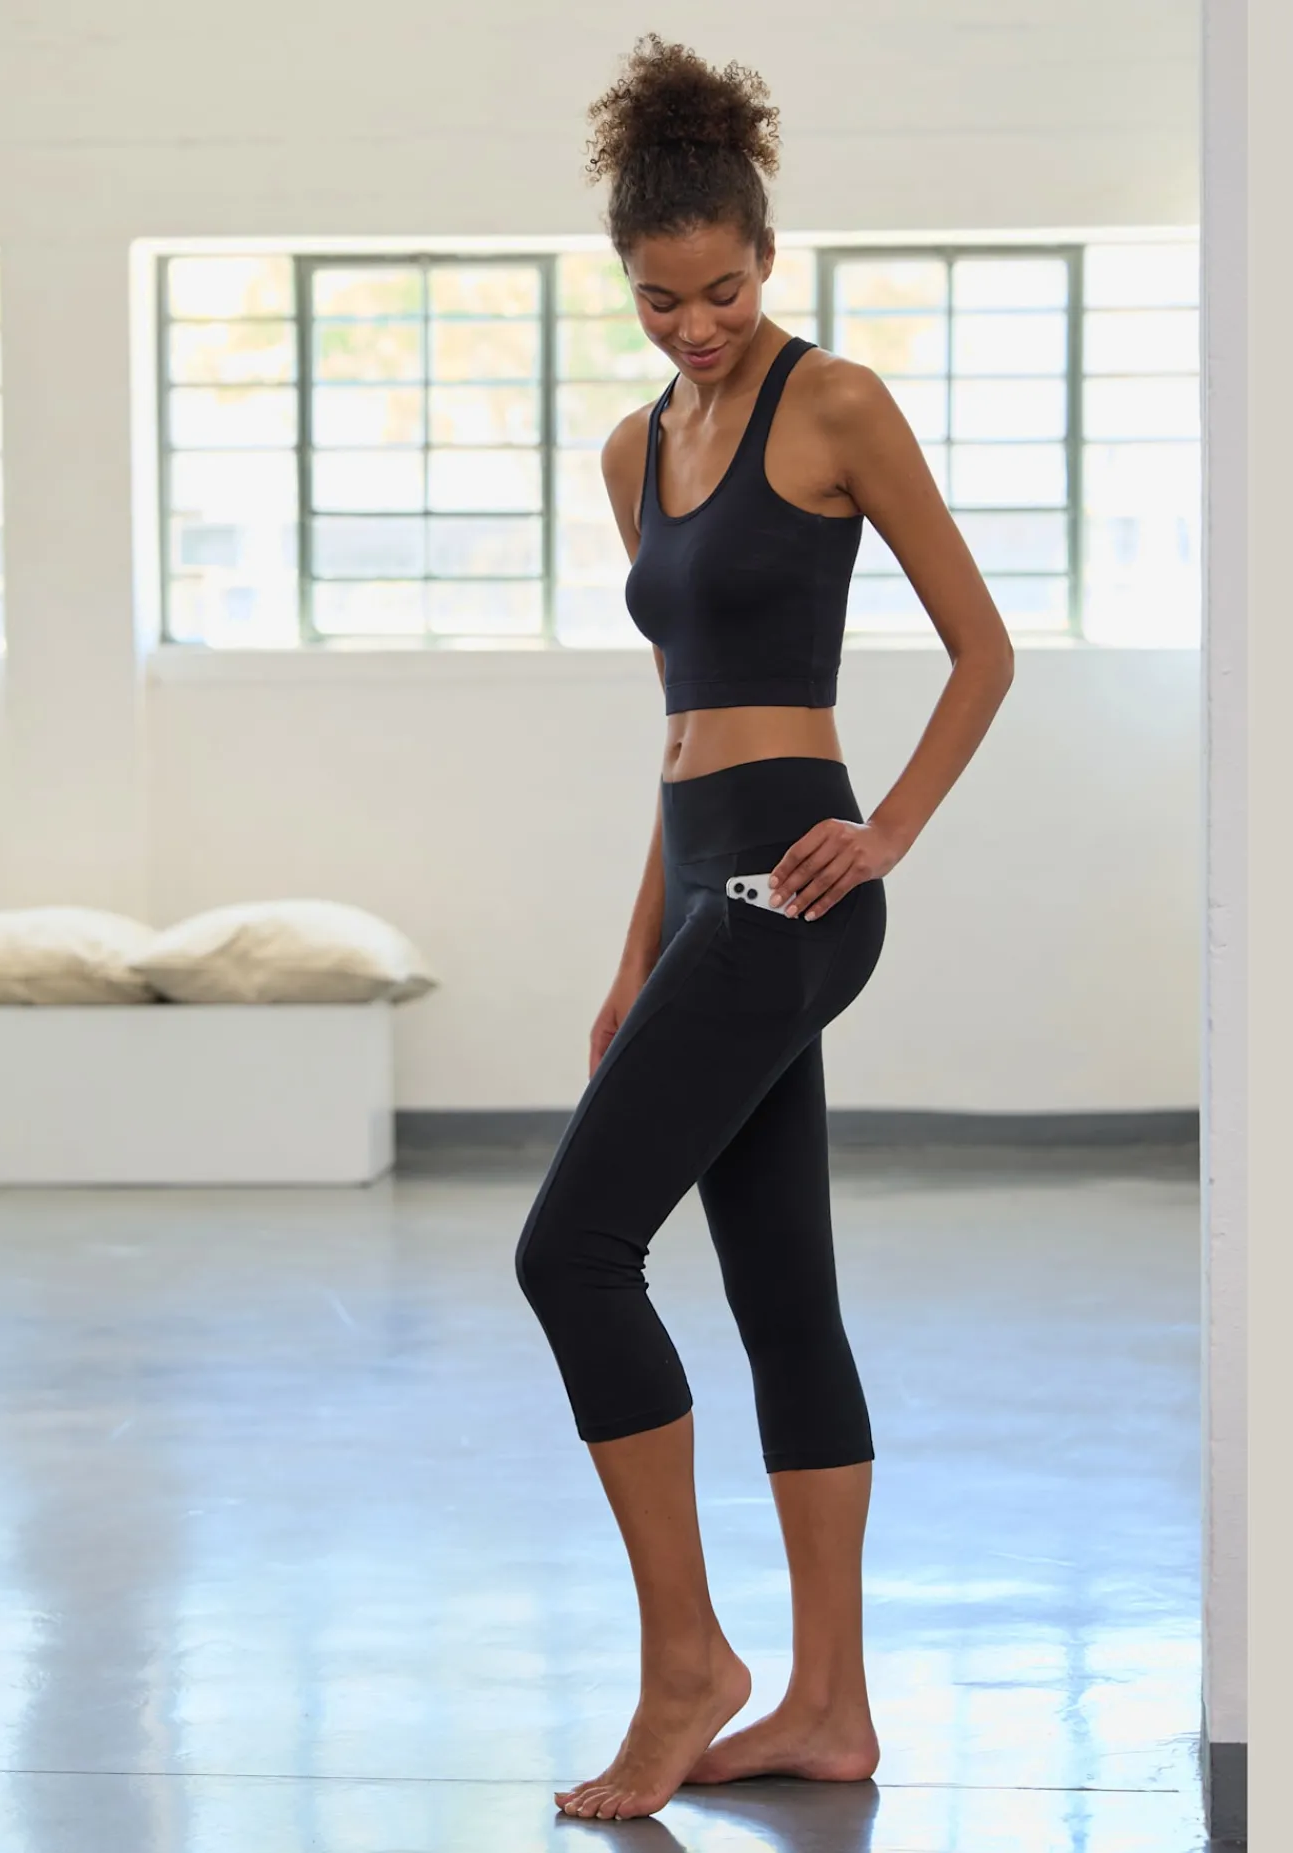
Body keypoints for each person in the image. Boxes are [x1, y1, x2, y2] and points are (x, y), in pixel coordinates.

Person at [514, 33, 1015, 1824]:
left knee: (570, 1254)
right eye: (660, 301)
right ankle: (828, 1710)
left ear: (765, 258)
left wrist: (885, 835)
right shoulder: (633, 451)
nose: (696, 327)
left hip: (793, 889)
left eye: (722, 290)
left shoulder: (837, 404)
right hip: (698, 884)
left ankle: (688, 1670)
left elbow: (981, 651)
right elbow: (672, 733)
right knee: (780, 1294)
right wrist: (631, 959)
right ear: (627, 283)